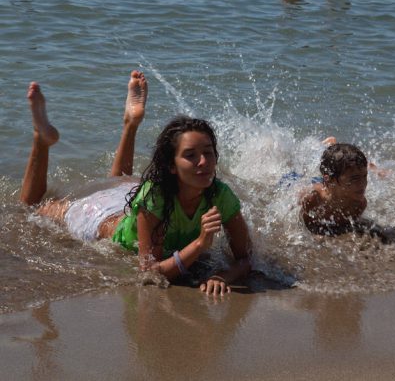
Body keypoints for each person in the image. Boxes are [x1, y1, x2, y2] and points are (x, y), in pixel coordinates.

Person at [20, 71, 252, 296]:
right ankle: (41, 140)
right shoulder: (155, 196)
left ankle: (131, 122)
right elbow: (151, 273)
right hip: (100, 216)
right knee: (32, 208)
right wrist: (200, 245)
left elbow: (245, 258)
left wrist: (223, 276)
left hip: (129, 197)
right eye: (190, 155)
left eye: (209, 153)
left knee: (118, 180)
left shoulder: (220, 195)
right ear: (171, 166)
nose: (203, 162)